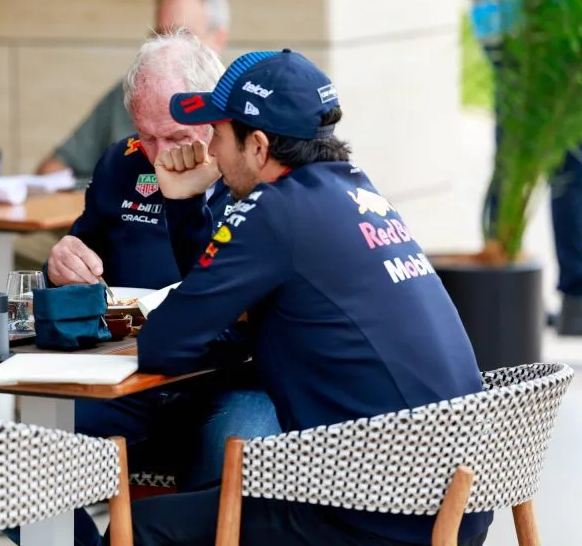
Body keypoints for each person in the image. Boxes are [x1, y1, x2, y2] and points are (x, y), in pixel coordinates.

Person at [102, 49, 492, 544]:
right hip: (454, 503)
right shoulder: (358, 194)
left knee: (132, 530)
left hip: (373, 515)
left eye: (218, 137)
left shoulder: (276, 210)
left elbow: (164, 344)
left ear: (258, 147)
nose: (212, 155)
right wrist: (186, 208)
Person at [24, 31, 280, 546]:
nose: (160, 153)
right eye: (147, 135)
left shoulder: (258, 173)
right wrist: (63, 261)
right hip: (130, 370)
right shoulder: (123, 163)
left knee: (238, 463)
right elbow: (85, 243)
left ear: (213, 112)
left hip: (235, 379)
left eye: (173, 133)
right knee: (20, 457)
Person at [464, 0, 582, 335]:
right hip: (527, 48)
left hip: (553, 42)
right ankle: (516, 275)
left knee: (555, 167)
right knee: (528, 166)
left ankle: (572, 300)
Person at [35, 0, 231, 179]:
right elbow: (52, 170)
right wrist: (108, 192)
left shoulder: (239, 103)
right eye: (160, 35)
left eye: (183, 35)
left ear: (218, 39)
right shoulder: (131, 92)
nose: (169, 45)